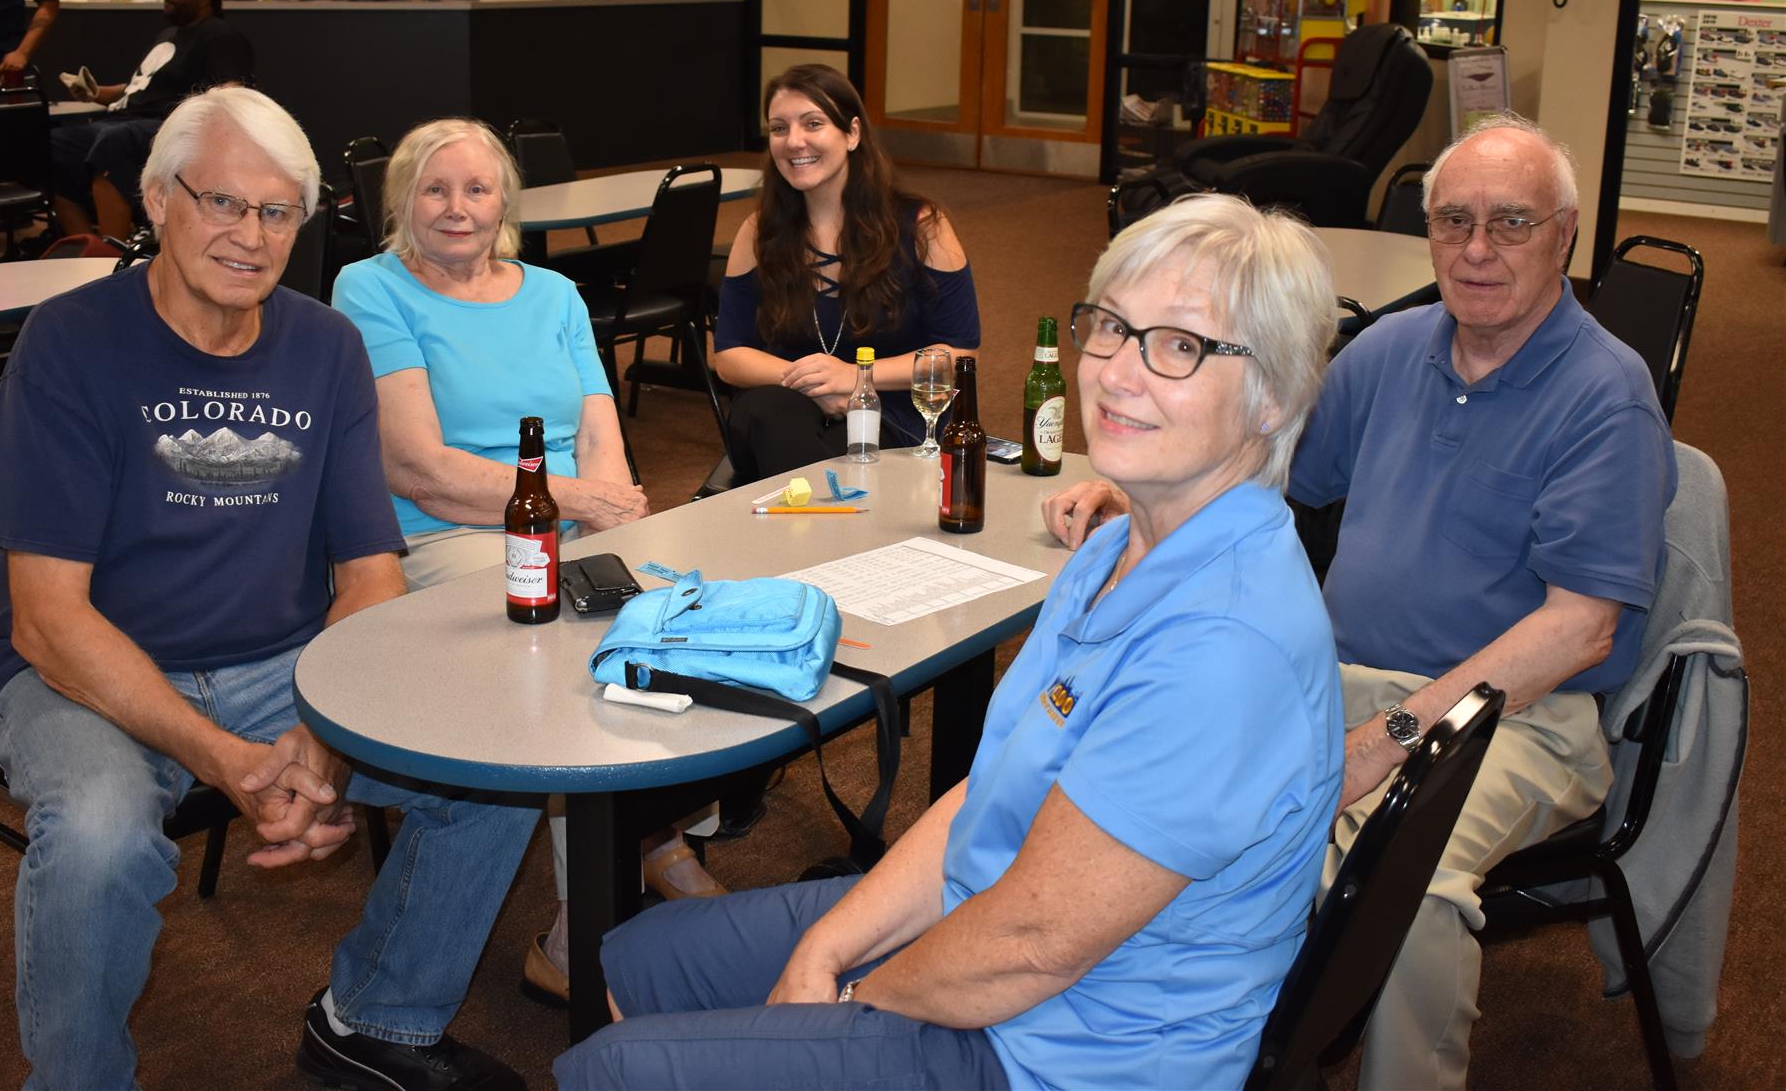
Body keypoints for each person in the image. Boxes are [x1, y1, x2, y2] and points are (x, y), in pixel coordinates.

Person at [556, 195, 1344, 1090]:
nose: (1118, 373)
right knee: (640, 957)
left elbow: (1033, 945)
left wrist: (849, 998)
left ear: (1274, 396)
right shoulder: (1117, 546)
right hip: (994, 917)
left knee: (613, 1072)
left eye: (1179, 346)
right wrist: (824, 949)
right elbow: (990, 791)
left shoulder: (1225, 648)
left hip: (1066, 1053)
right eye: (1111, 327)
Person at [1044, 115, 1676, 1089]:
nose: (1476, 249)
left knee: (1401, 884)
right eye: (1453, 220)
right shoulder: (1393, 347)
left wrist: (1394, 735)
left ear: (1565, 236)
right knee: (1157, 783)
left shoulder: (1606, 394)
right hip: (1337, 678)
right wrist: (1141, 493)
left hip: (1516, 717)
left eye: (1510, 223)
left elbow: (1580, 628)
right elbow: (1268, 468)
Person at [0, 88, 538, 1091]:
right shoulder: (71, 341)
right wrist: (229, 760)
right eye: (222, 202)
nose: (251, 235)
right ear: (157, 200)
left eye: (277, 212)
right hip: (83, 676)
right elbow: (47, 622)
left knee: (501, 759)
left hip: (281, 667)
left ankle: (377, 1020)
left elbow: (370, 576)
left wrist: (321, 734)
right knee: (98, 836)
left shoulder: (324, 347)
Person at [330, 118, 718, 1005]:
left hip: (571, 521)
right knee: (564, 656)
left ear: (505, 199)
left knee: (675, 614)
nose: (456, 208)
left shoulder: (554, 293)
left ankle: (652, 834)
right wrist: (581, 503)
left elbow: (601, 432)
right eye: (434, 189)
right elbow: (421, 470)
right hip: (447, 536)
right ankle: (578, 939)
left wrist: (612, 525)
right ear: (401, 202)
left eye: (476, 188)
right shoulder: (373, 288)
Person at [714, 64, 980, 482]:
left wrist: (857, 379)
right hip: (792, 403)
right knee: (764, 411)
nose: (794, 141)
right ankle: (829, 514)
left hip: (893, 412)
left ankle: (816, 516)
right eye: (779, 128)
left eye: (813, 123)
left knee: (829, 454)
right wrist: (815, 382)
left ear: (852, 133)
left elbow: (961, 354)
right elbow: (729, 355)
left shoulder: (922, 226)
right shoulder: (759, 232)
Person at [50, 0, 252, 239]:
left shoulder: (220, 36)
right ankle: (84, 243)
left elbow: (231, 93)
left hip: (166, 126)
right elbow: (139, 88)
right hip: (126, 119)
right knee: (57, 143)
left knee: (114, 141)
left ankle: (111, 253)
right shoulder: (167, 36)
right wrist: (94, 92)